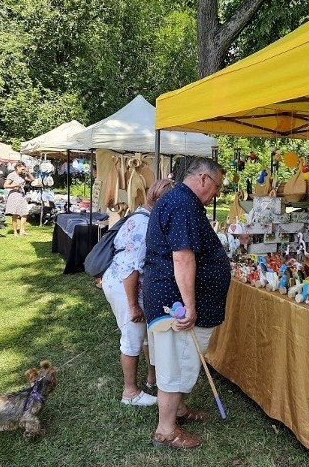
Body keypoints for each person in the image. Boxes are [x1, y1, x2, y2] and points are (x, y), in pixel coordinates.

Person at [143, 157, 231, 450]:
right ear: (204, 178)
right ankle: (166, 430)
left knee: (182, 359)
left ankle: (178, 411)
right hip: (175, 302)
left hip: (174, 296)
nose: (217, 192)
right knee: (175, 364)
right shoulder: (182, 204)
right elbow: (182, 258)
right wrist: (190, 306)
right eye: (217, 185)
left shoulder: (183, 201)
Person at [101, 179, 175, 407]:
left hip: (124, 283)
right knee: (132, 337)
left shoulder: (144, 217)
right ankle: (130, 392)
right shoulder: (144, 225)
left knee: (144, 335)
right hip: (126, 287)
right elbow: (131, 268)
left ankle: (151, 377)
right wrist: (133, 305)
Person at [4, 161, 34, 236]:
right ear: (17, 167)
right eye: (22, 169)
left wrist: (28, 172)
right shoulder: (12, 175)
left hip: (21, 195)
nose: (23, 171)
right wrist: (14, 186)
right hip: (14, 195)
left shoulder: (23, 175)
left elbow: (32, 179)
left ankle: (22, 230)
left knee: (25, 213)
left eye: (24, 169)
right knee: (15, 214)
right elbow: (5, 185)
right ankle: (15, 232)